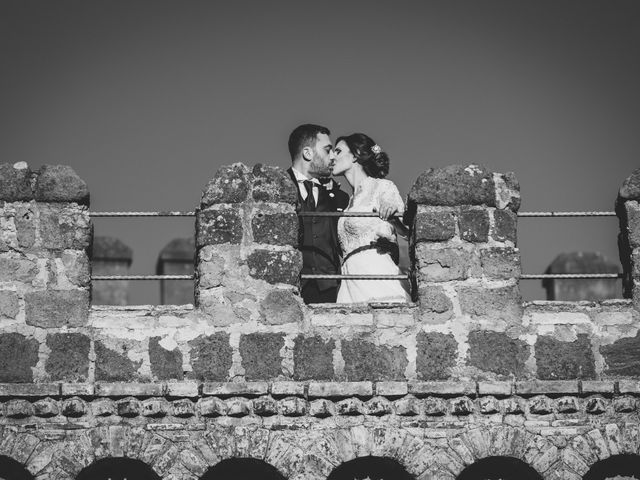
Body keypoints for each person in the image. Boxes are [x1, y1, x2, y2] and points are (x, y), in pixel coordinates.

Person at [331, 133, 410, 303]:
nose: (332, 156)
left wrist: (393, 218)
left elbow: (406, 231)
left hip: (375, 273)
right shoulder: (348, 202)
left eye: (337, 151)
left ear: (355, 155)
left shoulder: (382, 186)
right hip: (348, 280)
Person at [287, 124, 350, 304]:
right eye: (327, 150)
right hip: (292, 288)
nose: (333, 156)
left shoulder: (338, 196)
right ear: (307, 153)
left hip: (330, 290)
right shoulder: (277, 191)